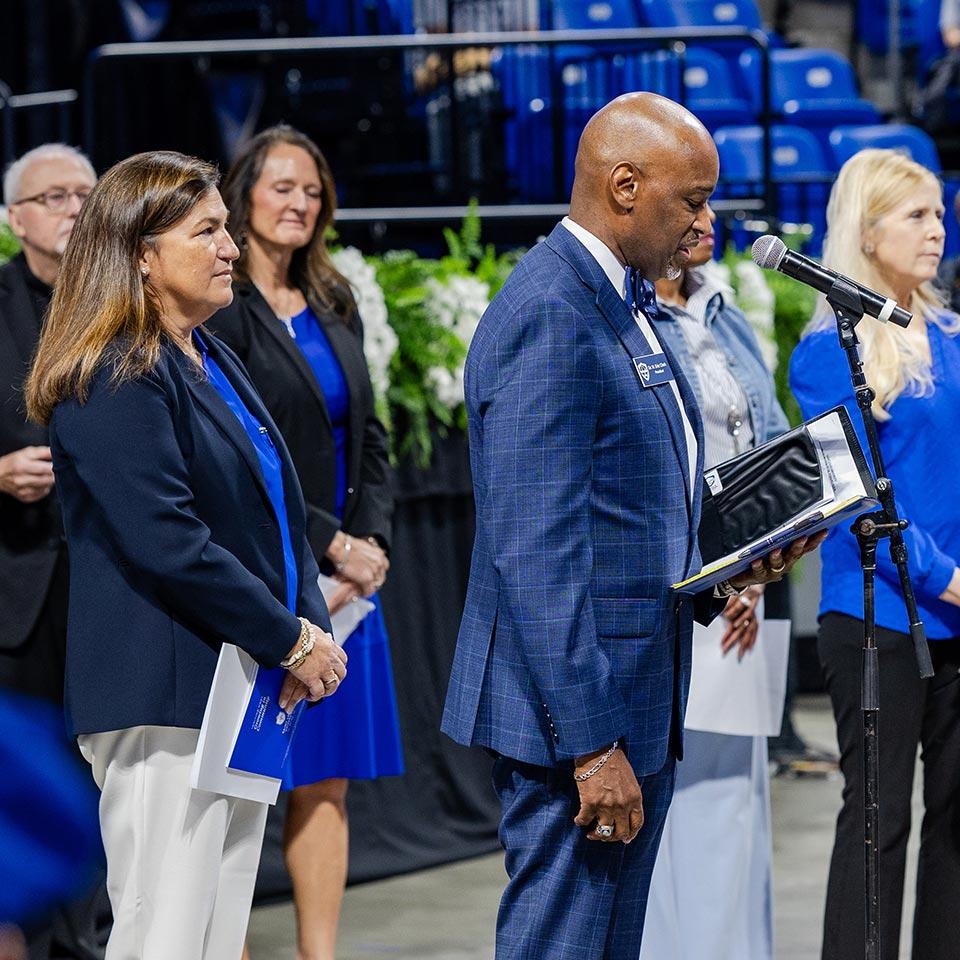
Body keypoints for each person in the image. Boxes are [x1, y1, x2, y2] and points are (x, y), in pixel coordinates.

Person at [441, 91, 823, 959]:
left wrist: (733, 563)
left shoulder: (620, 301)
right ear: (623, 186)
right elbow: (536, 554)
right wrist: (592, 747)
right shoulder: (552, 312)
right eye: (692, 198)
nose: (705, 219)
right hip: (577, 720)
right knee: (562, 943)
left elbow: (638, 500)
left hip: (633, 692)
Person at [23, 150, 348, 960]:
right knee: (163, 933)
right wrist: (291, 637)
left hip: (230, 689)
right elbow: (169, 542)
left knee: (213, 929)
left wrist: (304, 622)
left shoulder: (206, 352)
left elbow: (272, 507)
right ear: (140, 252)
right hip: (163, 691)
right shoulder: (112, 371)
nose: (231, 248)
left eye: (227, 230)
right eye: (206, 231)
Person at [208, 124, 402, 960]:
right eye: (281, 186)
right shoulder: (219, 307)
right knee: (245, 787)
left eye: (312, 190)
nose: (298, 202)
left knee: (325, 782)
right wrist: (330, 546)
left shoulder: (334, 297)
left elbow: (373, 436)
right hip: (267, 579)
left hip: (350, 590)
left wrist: (374, 543)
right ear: (244, 193)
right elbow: (241, 459)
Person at [789, 148, 960, 960]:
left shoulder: (953, 335)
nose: (938, 229)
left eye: (939, 212)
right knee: (877, 827)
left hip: (958, 615)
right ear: (867, 229)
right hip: (879, 618)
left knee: (957, 823)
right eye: (917, 215)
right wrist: (948, 579)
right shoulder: (827, 353)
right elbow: (859, 501)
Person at [639, 202, 788, 960]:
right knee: (679, 812)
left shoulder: (724, 313)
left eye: (711, 204)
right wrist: (717, 578)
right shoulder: (628, 321)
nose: (707, 218)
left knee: (734, 812)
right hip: (681, 593)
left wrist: (757, 573)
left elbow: (768, 442)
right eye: (690, 202)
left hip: (746, 596)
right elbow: (651, 471)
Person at [0, 143, 107, 960]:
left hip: (114, 579)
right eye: (52, 196)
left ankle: (98, 936)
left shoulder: (120, 303)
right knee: (34, 778)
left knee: (110, 775)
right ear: (14, 219)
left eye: (84, 193)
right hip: (21, 581)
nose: (72, 207)